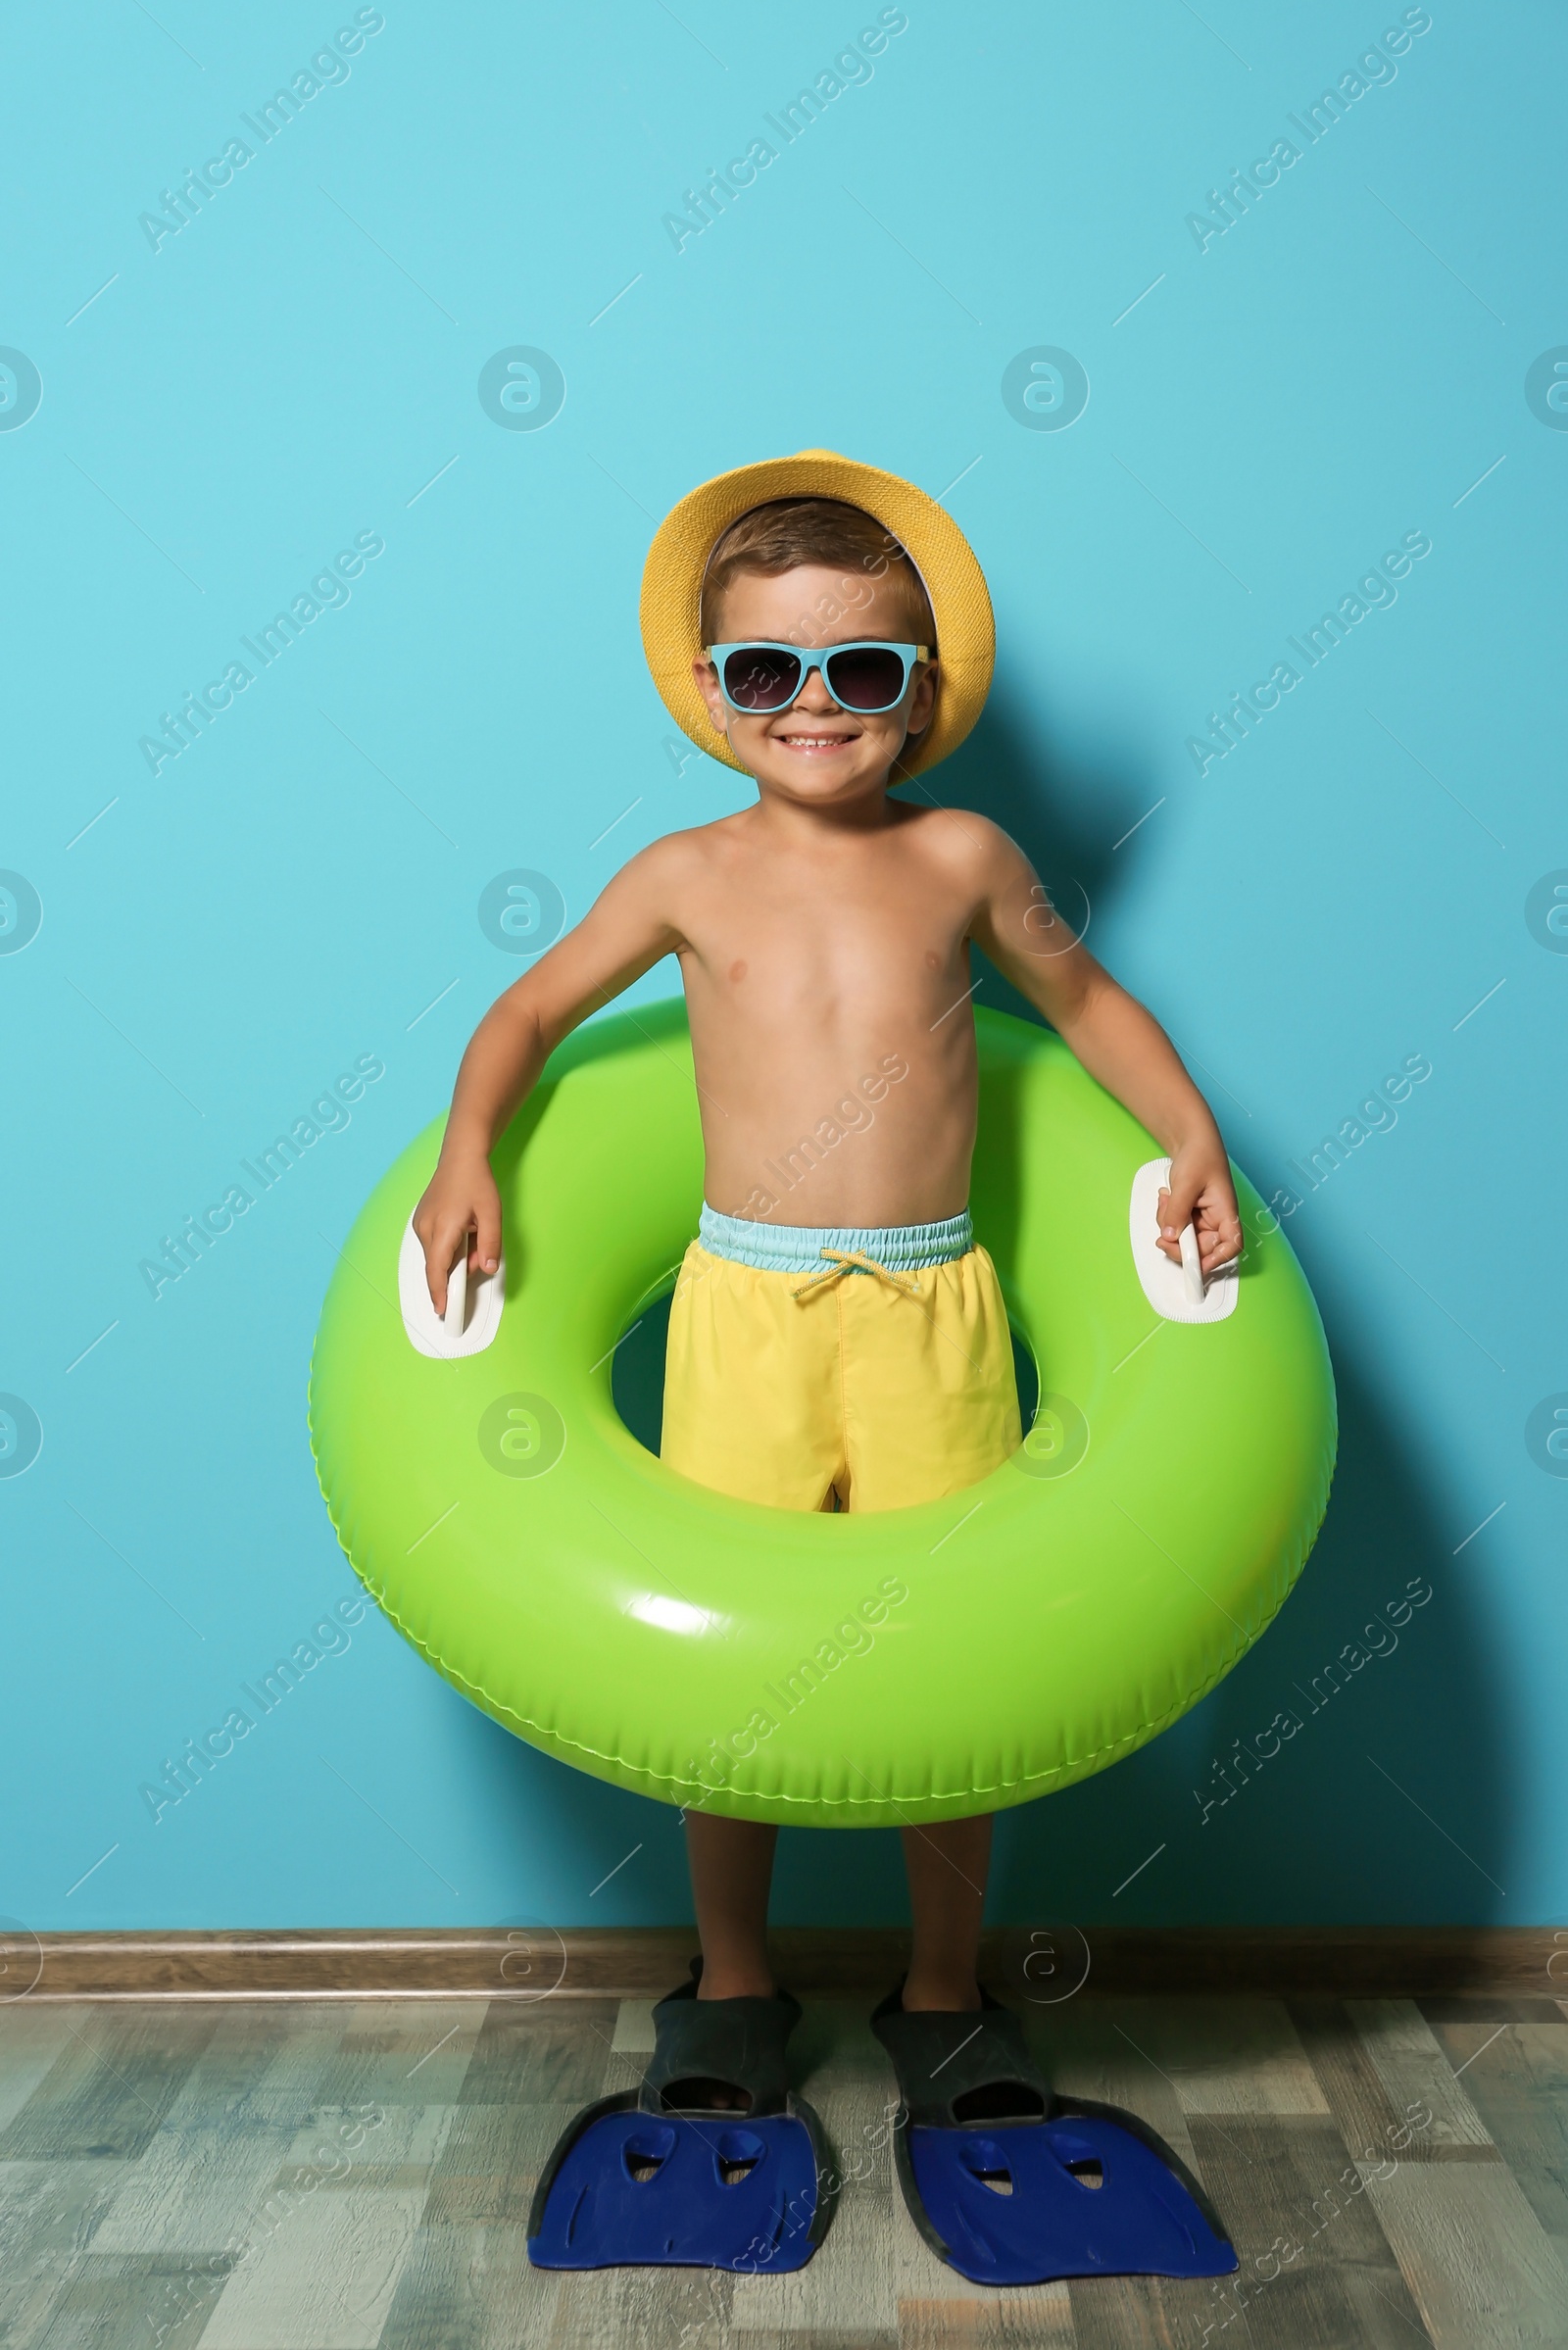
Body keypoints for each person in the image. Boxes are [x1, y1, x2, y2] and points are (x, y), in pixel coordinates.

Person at [417, 453, 1242, 2234]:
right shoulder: (686, 875)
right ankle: (732, 1983)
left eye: (860, 672)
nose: (813, 708)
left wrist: (1192, 1133)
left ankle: (943, 1992)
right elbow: (528, 1005)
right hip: (740, 1311)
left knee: (948, 1658)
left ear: (921, 695)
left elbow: (1085, 1002)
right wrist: (471, 1145)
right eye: (765, 674)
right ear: (708, 693)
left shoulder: (964, 856)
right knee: (742, 1675)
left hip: (933, 1308)